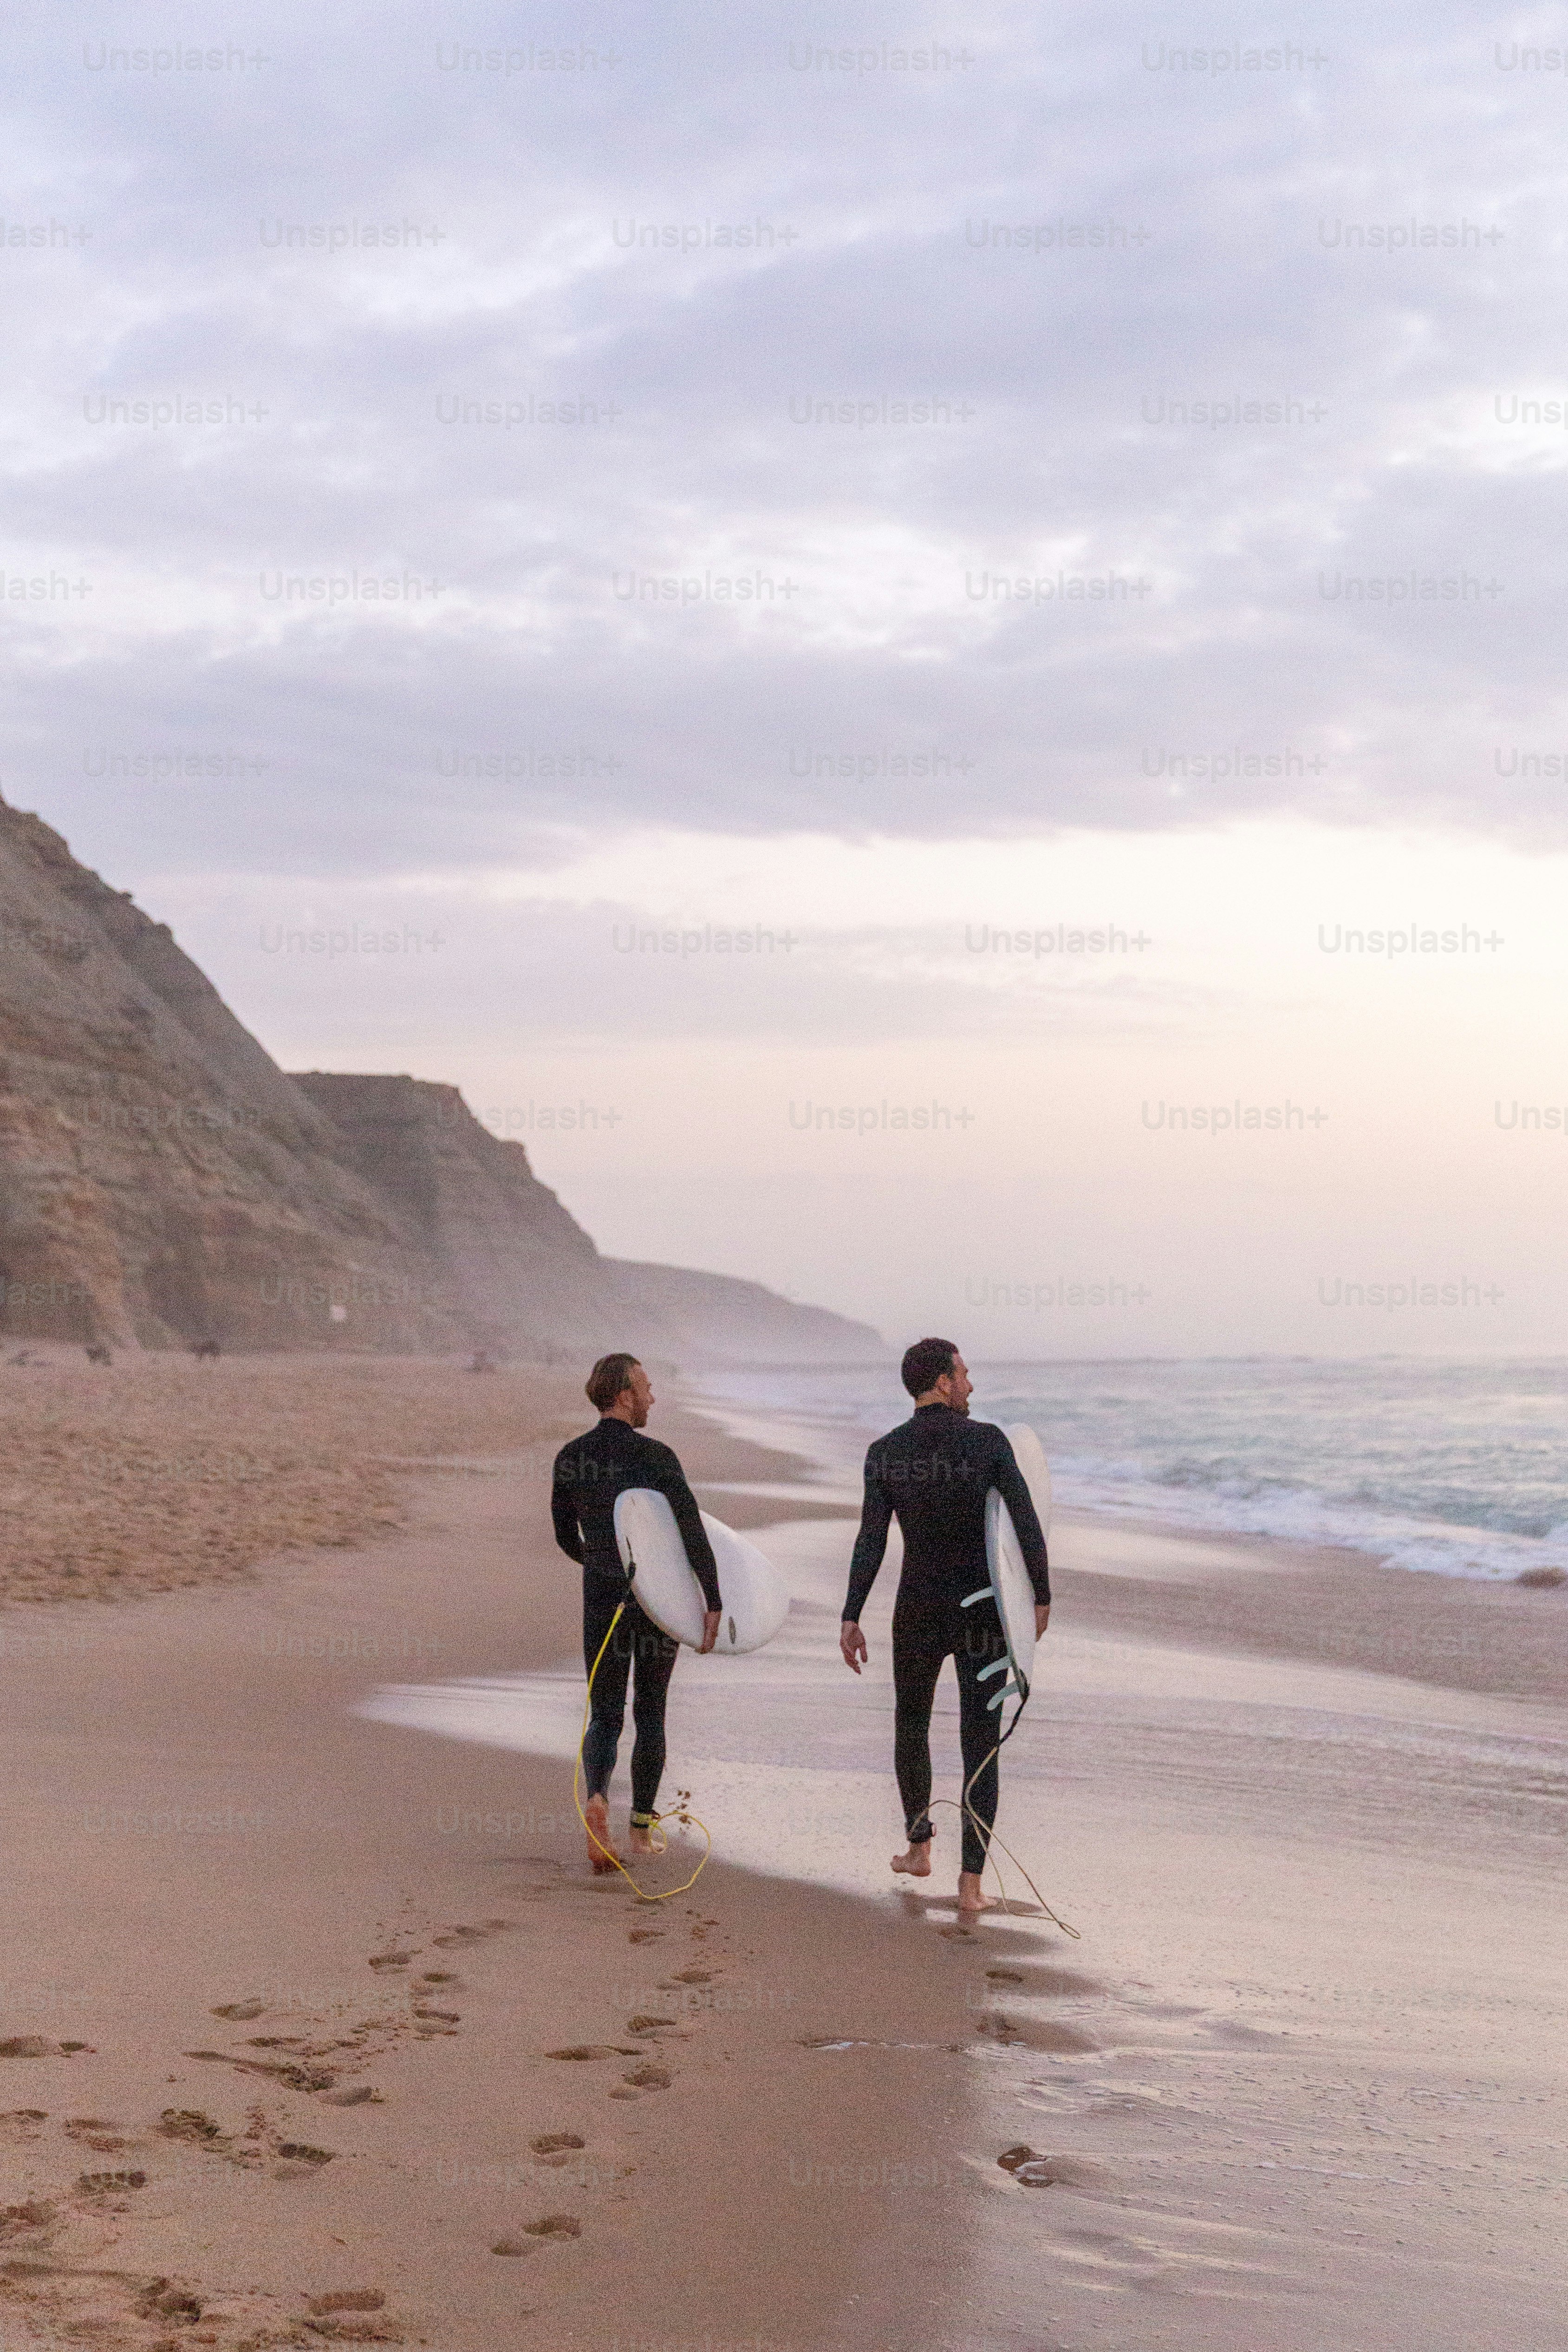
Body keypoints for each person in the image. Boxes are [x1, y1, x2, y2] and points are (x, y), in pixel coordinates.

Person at [840, 1338, 1049, 1921]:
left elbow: (871, 1540)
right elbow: (1026, 1522)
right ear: (940, 1380)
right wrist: (1040, 1595)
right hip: (983, 1610)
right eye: (963, 1374)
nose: (970, 1385)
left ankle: (917, 1844)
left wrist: (851, 1613)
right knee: (979, 1739)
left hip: (917, 1609)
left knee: (911, 1723)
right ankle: (969, 1883)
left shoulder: (885, 1452)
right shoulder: (986, 1442)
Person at [552, 1352, 721, 1872]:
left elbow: (564, 1537)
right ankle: (641, 1830)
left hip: (602, 1598)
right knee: (651, 1711)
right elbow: (692, 1530)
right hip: (655, 1601)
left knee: (605, 1712)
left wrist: (601, 1565)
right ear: (624, 1394)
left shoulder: (571, 1456)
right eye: (646, 1387)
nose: (653, 1396)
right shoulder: (656, 1455)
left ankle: (598, 1797)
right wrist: (711, 1598)